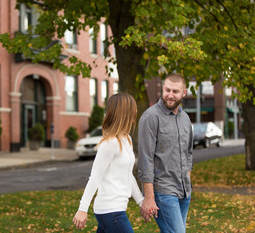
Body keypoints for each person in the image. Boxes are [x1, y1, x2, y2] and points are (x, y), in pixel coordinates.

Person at [73, 92, 144, 232]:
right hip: (110, 210)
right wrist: (82, 209)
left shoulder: (127, 139)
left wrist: (141, 201)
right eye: (133, 108)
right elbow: (95, 177)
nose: (135, 111)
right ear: (125, 112)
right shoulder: (110, 143)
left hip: (116, 208)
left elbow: (128, 175)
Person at [138, 73, 193, 233]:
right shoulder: (150, 117)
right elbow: (145, 159)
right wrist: (149, 198)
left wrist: (188, 180)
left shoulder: (185, 119)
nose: (170, 95)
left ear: (183, 93)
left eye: (175, 91)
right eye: (167, 90)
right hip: (163, 191)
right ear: (162, 89)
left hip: (184, 191)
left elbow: (188, 153)